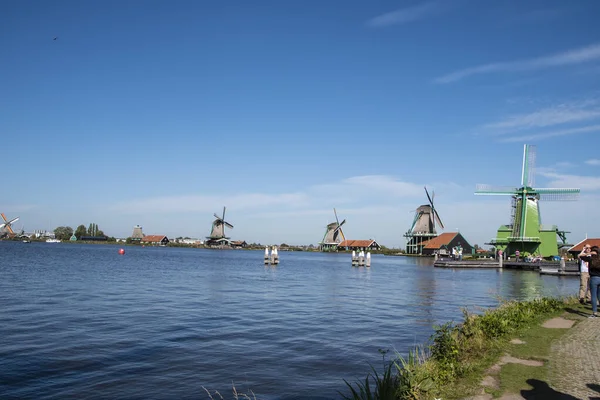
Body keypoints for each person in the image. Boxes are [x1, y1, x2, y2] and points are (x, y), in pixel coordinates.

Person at [579, 245, 600, 318]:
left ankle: (595, 313)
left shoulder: (590, 259)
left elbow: (580, 256)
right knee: (599, 295)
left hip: (594, 278)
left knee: (593, 296)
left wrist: (588, 253)